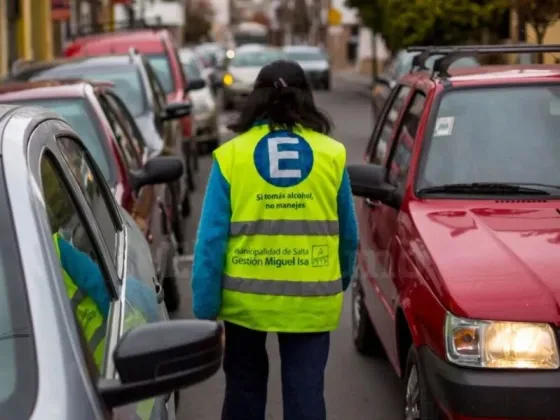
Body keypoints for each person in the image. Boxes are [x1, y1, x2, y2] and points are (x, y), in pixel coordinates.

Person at [191, 60, 359, 420]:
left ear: (256, 99)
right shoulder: (331, 154)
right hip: (312, 299)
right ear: (307, 98)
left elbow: (210, 242)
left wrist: (206, 307)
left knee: (244, 391)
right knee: (305, 393)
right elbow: (348, 234)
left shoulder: (231, 157)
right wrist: (340, 279)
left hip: (245, 303)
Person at [52, 232, 157, 420]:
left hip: (111, 377)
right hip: (97, 382)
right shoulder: (52, 247)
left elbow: (104, 290)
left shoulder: (55, 249)